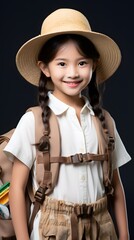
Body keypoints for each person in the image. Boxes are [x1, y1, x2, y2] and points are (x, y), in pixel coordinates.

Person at [4, 8, 131, 240]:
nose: (72, 72)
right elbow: (17, 188)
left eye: (82, 63)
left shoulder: (104, 121)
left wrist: (124, 235)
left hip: (102, 228)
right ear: (45, 68)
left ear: (94, 65)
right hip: (51, 231)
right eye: (62, 64)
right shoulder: (32, 121)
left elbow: (117, 188)